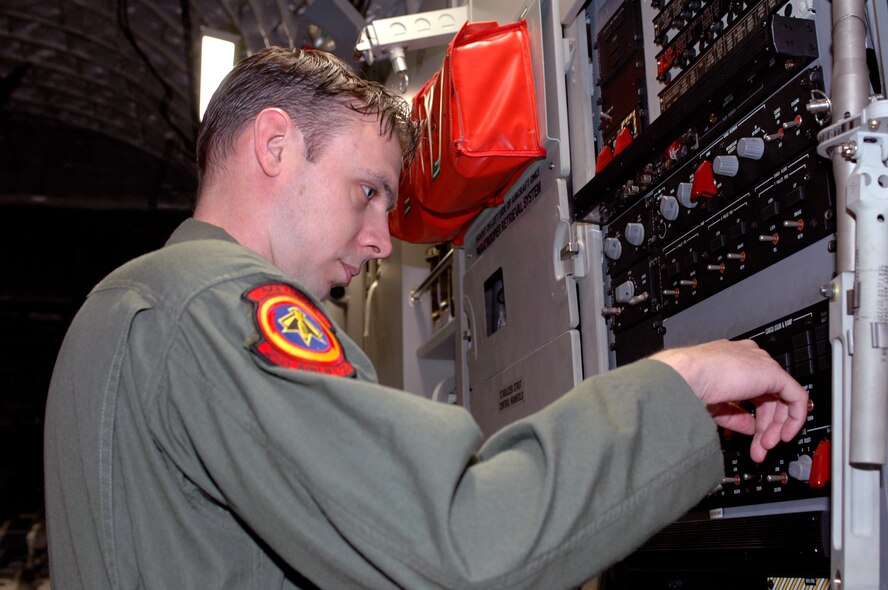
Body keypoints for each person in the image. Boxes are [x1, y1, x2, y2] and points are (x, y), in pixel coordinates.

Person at [43, 47, 808, 589]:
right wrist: (677, 381)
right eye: (367, 192)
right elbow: (458, 544)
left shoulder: (124, 306)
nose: (381, 239)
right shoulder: (224, 306)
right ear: (274, 145)